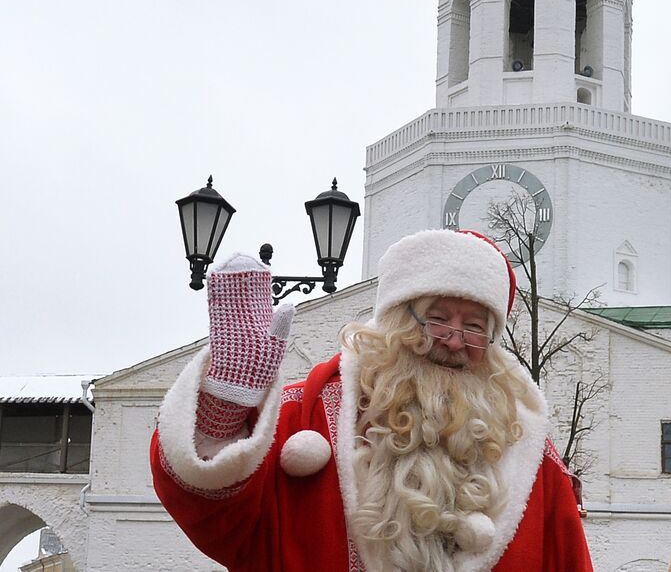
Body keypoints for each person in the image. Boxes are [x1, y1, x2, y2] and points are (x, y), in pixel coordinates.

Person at [152, 228, 593, 572]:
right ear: (397, 322)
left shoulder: (528, 450)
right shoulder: (303, 415)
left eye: (476, 326)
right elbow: (217, 519)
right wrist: (224, 404)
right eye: (436, 318)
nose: (456, 340)